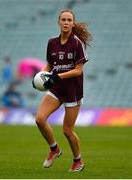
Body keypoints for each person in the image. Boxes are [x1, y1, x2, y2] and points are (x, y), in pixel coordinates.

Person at [32, 9, 92, 172]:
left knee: (67, 130)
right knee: (40, 119)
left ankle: (78, 161)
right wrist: (41, 78)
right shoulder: (52, 42)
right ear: (59, 22)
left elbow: (78, 70)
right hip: (57, 89)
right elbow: (49, 66)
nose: (66, 23)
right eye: (63, 20)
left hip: (73, 90)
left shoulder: (77, 43)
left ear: (73, 23)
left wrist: (56, 77)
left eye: (69, 20)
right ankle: (54, 149)